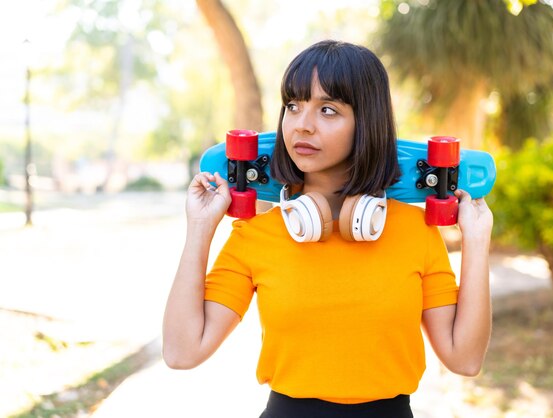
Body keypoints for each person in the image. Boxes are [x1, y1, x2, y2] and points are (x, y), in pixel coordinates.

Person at [162, 40, 493, 418]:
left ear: (366, 122)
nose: (302, 125)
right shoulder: (256, 235)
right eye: (293, 106)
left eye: (328, 109)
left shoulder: (416, 231)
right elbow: (182, 352)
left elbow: (465, 359)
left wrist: (477, 241)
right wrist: (201, 228)